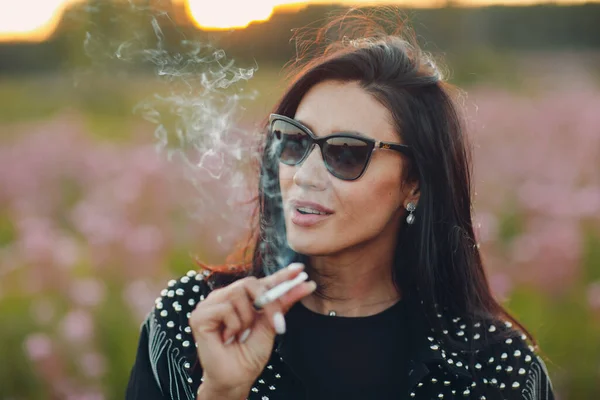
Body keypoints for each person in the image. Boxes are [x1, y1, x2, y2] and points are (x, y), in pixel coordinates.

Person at [126, 8, 555, 400]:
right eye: (293, 142)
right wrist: (221, 392)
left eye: (346, 152)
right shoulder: (196, 321)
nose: (304, 175)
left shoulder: (495, 368)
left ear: (415, 184)